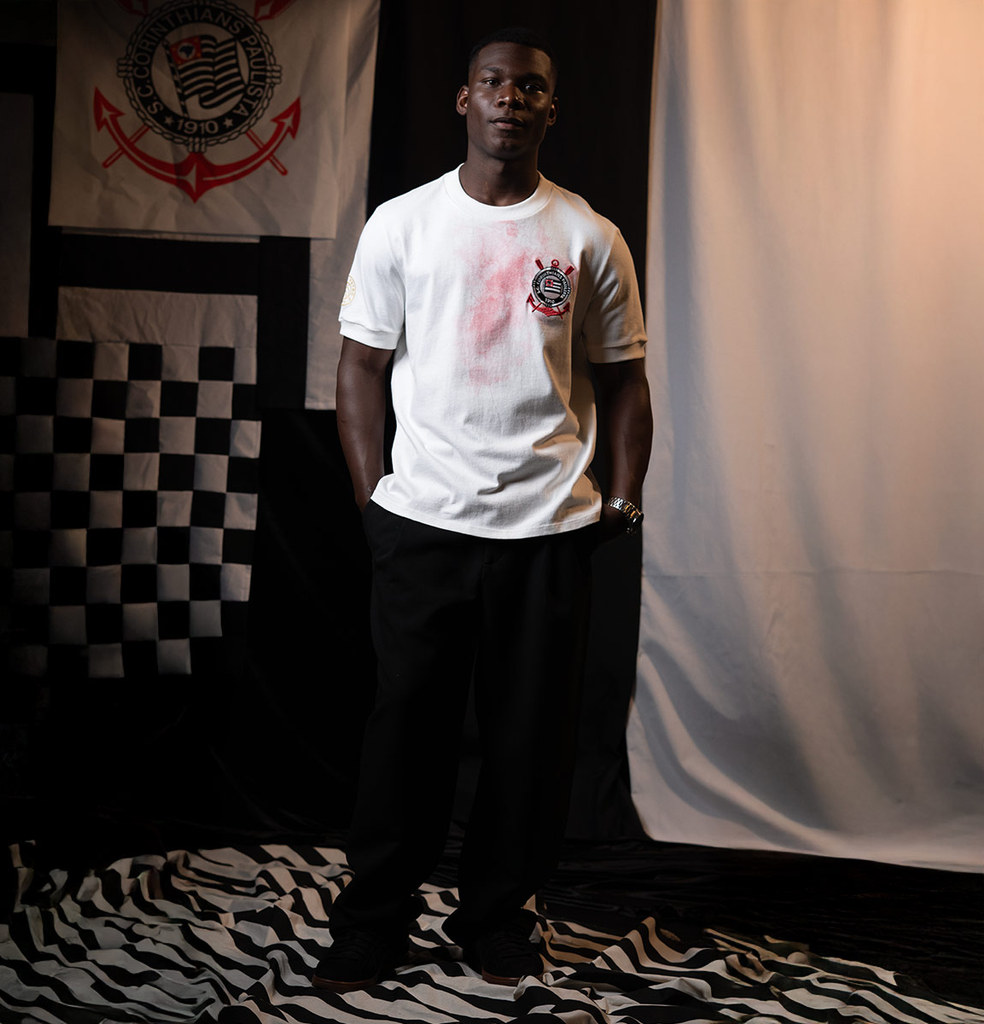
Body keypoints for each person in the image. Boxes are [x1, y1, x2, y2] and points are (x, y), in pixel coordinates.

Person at [312, 26, 652, 992]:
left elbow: (625, 383)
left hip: (548, 531)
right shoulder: (403, 224)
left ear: (551, 109)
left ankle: (498, 919)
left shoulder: (588, 236)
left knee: (528, 746)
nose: (511, 98)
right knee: (405, 737)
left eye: (530, 87)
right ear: (465, 100)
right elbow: (360, 368)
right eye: (493, 83)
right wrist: (374, 501)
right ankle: (374, 921)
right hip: (422, 525)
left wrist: (621, 501)